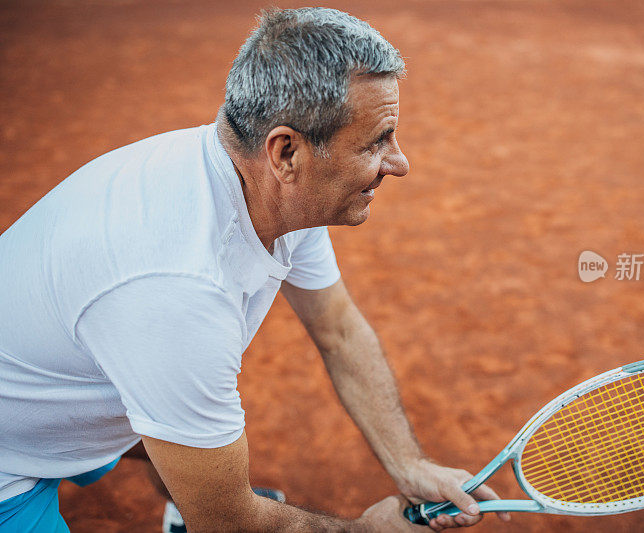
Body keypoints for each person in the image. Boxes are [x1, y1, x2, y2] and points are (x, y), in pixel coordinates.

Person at [0, 7, 510, 532]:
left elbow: (336, 328)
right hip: (7, 462)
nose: (400, 163)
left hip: (61, 379)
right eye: (376, 142)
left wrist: (410, 464)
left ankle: (180, 490)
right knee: (207, 462)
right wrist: (365, 531)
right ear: (286, 151)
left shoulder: (274, 188)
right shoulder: (178, 290)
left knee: (183, 408)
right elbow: (228, 522)